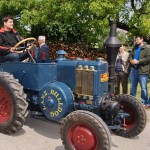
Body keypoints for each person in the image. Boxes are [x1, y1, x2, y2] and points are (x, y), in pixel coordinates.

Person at [129, 36, 150, 108]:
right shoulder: (134, 47)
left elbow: (148, 58)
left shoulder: (147, 48)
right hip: (133, 70)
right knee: (132, 87)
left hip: (142, 71)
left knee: (143, 88)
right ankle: (132, 102)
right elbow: (130, 56)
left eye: (137, 39)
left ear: (142, 39)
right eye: (135, 40)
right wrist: (131, 61)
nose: (136, 41)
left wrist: (138, 61)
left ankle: (144, 103)